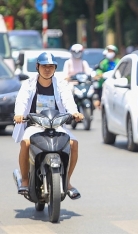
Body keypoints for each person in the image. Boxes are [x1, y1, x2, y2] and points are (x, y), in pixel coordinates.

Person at [12, 52, 84, 200]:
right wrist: (19, 114)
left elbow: (68, 100)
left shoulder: (61, 84)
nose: (47, 69)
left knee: (73, 144)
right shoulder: (28, 84)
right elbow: (22, 101)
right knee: (25, 143)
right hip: (35, 125)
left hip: (56, 125)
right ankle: (25, 180)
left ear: (55, 68)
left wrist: (74, 112)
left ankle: (67, 181)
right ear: (37, 67)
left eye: (51, 66)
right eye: (44, 66)